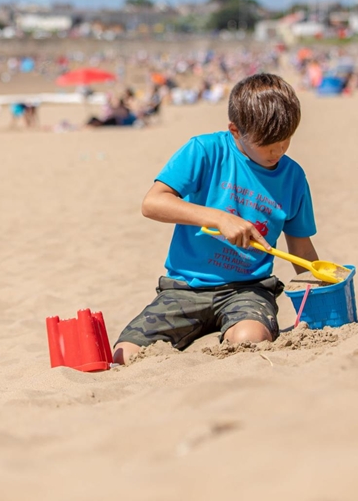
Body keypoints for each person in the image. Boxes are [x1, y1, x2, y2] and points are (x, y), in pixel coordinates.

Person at [112, 74, 320, 365]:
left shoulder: (293, 177)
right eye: (267, 143)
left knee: (250, 340)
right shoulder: (205, 151)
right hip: (184, 288)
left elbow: (302, 251)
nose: (279, 151)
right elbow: (153, 203)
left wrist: (321, 297)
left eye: (286, 140)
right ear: (235, 131)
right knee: (126, 356)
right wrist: (218, 218)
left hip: (248, 289)